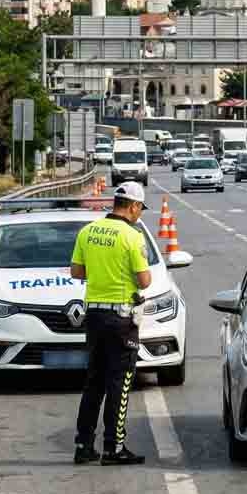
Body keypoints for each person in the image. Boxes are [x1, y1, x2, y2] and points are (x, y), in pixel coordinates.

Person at [70, 182, 152, 466]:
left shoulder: (88, 231)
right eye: (140, 209)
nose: (140, 214)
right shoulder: (132, 236)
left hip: (93, 316)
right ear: (133, 206)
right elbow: (144, 280)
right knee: (120, 382)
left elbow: (76, 271)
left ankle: (83, 445)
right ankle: (113, 447)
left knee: (94, 382)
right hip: (121, 318)